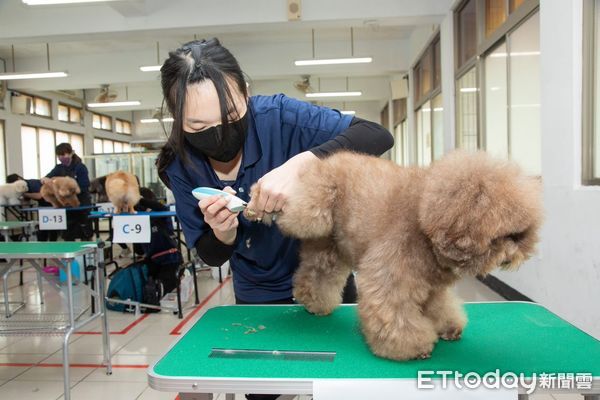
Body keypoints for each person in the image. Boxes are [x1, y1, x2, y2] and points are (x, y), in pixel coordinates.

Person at [156, 38, 392, 400]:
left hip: (325, 278)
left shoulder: (280, 117)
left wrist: (304, 163)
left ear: (246, 93)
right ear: (177, 118)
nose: (219, 133)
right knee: (264, 389)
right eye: (199, 124)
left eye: (231, 115)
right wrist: (223, 232)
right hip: (257, 294)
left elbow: (376, 135)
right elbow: (211, 255)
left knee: (342, 384)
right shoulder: (180, 164)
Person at [42, 143, 93, 241]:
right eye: (59, 155)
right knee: (68, 234)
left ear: (70, 153)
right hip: (66, 206)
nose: (61, 157)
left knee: (85, 233)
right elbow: (48, 177)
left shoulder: (80, 167)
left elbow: (85, 186)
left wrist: (70, 191)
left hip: (82, 204)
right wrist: (45, 179)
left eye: (63, 154)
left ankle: (87, 253)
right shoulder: (58, 168)